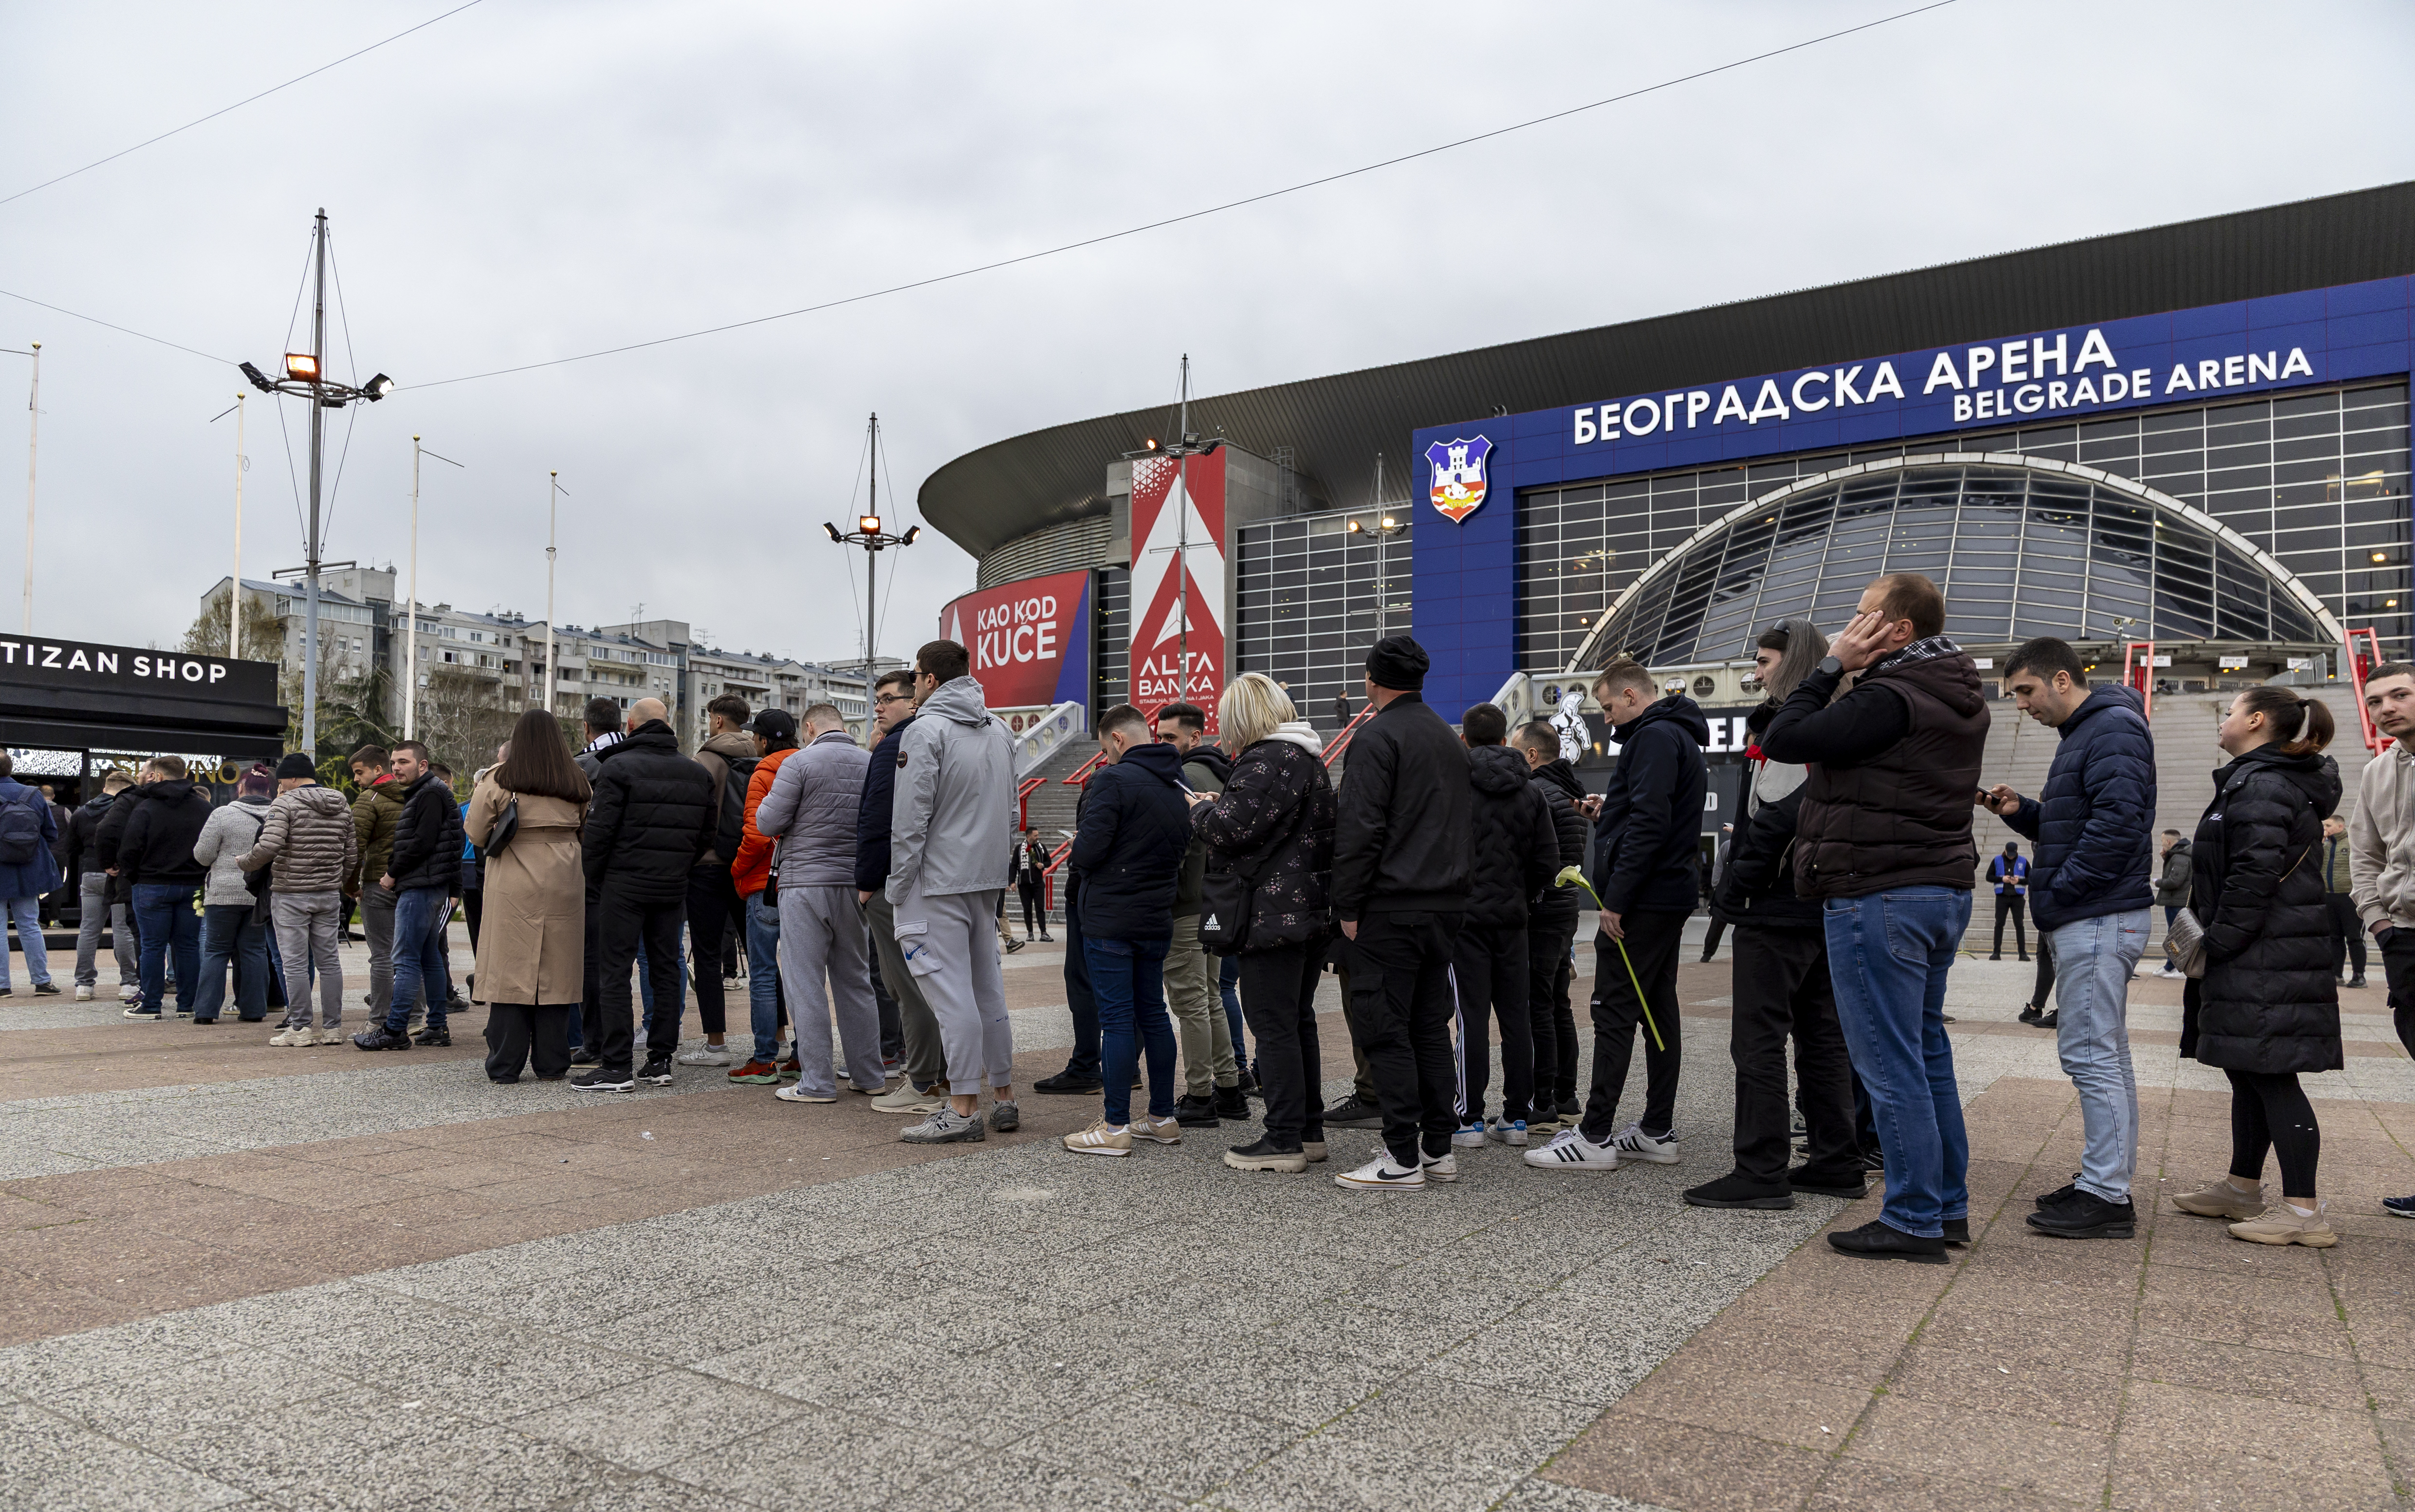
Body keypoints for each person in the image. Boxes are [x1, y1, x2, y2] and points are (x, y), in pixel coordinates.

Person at [1759, 572, 1989, 1261]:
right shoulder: (1953, 690)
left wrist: (1830, 667)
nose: (1846, 629)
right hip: (1934, 888)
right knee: (1924, 1054)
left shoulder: (1891, 695)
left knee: (1890, 1064)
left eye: (1861, 617)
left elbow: (1787, 736)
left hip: (1878, 890)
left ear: (1899, 630)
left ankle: (1914, 1215)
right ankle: (1944, 1205)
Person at [1978, 636, 2156, 1240]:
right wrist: (2022, 811)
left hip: (2097, 913)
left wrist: (2057, 894)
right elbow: (2082, 820)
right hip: (2097, 910)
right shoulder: (2088, 732)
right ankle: (2103, 1181)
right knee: (2106, 1054)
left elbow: (2116, 825)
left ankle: (2106, 1193)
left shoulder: (2108, 729)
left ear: (2060, 678)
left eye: (2024, 691)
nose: (2020, 705)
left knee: (2090, 1054)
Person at [1685, 620, 1865, 1210]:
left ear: (1794, 665)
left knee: (1759, 1039)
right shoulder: (1843, 721)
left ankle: (1760, 1169)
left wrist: (1734, 888)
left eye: (1763, 662)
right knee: (1822, 1036)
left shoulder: (1795, 726)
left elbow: (1778, 816)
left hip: (1778, 904)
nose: (1755, 673)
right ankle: (1836, 1159)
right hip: (1823, 901)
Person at [2171, 686, 2343, 1247]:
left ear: (2256, 719)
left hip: (2266, 953)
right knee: (2246, 1069)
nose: (2221, 720)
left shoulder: (2263, 783)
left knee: (2272, 1074)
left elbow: (2253, 873)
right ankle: (2242, 1187)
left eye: (2227, 711)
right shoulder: (2252, 779)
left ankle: (2301, 1212)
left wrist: (2216, 942)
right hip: (2257, 950)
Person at [1527, 658, 1706, 1173]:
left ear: (1631, 695)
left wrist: (1616, 899)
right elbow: (1655, 814)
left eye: (1607, 706)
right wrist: (1609, 810)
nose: (1605, 718)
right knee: (1656, 1008)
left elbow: (1651, 822)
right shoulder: (1677, 736)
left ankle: (1594, 1134)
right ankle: (1655, 1127)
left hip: (1644, 898)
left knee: (1614, 1008)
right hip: (1667, 893)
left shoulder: (1652, 738)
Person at [1329, 634, 1472, 1191]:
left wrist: (1347, 904)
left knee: (1384, 1028)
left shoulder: (1376, 736)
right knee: (1429, 1027)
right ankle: (1437, 1149)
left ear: (1371, 680)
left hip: (1391, 904)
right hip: (1444, 904)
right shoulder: (1447, 736)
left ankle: (1400, 1156)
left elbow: (1360, 827)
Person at [1184, 672, 1334, 1171]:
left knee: (1272, 1026)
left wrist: (1199, 813)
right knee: (1297, 1020)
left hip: (1272, 912)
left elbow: (1230, 828)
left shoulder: (1266, 758)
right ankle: (1307, 1129)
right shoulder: (1306, 757)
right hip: (1306, 907)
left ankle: (1283, 1138)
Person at [885, 638, 1018, 1142]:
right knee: (987, 990)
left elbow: (910, 819)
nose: (914, 684)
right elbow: (1011, 811)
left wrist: (899, 888)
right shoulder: (1000, 729)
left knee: (950, 993)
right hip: (981, 878)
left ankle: (962, 1107)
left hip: (935, 880)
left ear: (929, 680)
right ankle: (1002, 1094)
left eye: (915, 676)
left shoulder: (925, 731)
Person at [1058, 704, 1191, 1156]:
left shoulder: (1112, 780)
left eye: (1103, 747)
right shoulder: (1177, 784)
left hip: (1111, 917)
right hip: (1156, 915)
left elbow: (1090, 851)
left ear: (1116, 739)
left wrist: (1078, 847)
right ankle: (1161, 1116)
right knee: (1153, 1013)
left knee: (1115, 1018)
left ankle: (1115, 1125)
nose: (1105, 756)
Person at [577, 697, 716, 1092]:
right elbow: (706, 835)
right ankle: (659, 1060)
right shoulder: (696, 773)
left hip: (623, 883)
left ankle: (617, 1065)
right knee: (665, 968)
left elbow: (599, 832)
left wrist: (596, 878)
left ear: (631, 725)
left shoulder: (617, 767)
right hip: (672, 885)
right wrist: (680, 868)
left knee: (615, 972)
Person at [754, 702, 886, 1104]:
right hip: (853, 883)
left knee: (805, 982)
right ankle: (869, 1074)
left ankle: (817, 1082)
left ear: (809, 727)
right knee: (856, 980)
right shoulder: (869, 762)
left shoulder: (799, 763)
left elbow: (767, 822)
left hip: (804, 882)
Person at [1452, 701, 1558, 1150]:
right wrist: (1522, 895)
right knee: (1516, 1017)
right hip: (1514, 920)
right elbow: (1547, 861)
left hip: (1465, 920)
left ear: (1465, 739)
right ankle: (1516, 1117)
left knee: (1469, 1017)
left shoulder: (1452, 787)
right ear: (1504, 738)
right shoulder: (1530, 791)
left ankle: (1468, 1118)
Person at [469, 709, 591, 1082]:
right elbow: (587, 826)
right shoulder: (575, 779)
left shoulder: (500, 778)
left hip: (514, 873)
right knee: (558, 970)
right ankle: (553, 1063)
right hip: (565, 875)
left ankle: (505, 1064)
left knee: (510, 968)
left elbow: (475, 831)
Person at [857, 671, 946, 1115]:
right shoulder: (954, 736)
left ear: (913, 703)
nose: (878, 707)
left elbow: (877, 821)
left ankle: (925, 1081)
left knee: (904, 983)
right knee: (940, 981)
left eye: (887, 699)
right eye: (877, 699)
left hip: (896, 881)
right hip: (944, 879)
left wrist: (866, 883)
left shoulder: (897, 746)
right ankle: (949, 1074)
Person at [1158, 701, 1246, 1129]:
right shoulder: (1219, 772)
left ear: (1195, 737)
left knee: (1191, 1001)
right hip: (1213, 902)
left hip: (1188, 903)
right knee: (1209, 996)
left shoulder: (1188, 778)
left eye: (1170, 737)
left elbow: (1182, 847)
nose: (1163, 745)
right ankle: (1228, 1088)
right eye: (1159, 737)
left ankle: (1199, 1095)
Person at [2351, 662, 2415, 1221]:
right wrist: (2378, 922)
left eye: (2399, 695)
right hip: (2404, 935)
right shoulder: (2376, 772)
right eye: (2375, 701)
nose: (2386, 707)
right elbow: (2365, 853)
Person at [353, 743, 465, 1051]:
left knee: (404, 960)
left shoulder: (428, 794)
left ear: (423, 765)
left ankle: (395, 1029)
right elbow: (450, 841)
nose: (396, 768)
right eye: (393, 762)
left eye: (404, 762)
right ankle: (437, 1027)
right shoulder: (430, 792)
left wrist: (391, 874)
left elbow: (423, 842)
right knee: (429, 958)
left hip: (420, 886)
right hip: (430, 885)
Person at [240, 753, 358, 1044]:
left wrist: (244, 862)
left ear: (292, 778)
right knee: (329, 962)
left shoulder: (285, 803)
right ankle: (332, 1029)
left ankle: (301, 1028)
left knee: (293, 963)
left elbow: (269, 846)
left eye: (281, 779)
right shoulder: (340, 801)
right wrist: (337, 881)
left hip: (290, 893)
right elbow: (352, 852)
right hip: (328, 894)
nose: (279, 785)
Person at [1513, 720, 1587, 1133]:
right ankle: (1565, 1096)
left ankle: (1541, 1104)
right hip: (1565, 910)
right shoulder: (1571, 792)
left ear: (1531, 755)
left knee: (1537, 1005)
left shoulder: (1537, 793)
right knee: (1558, 1004)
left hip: (1541, 913)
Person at [676, 694, 757, 1068]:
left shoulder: (705, 759)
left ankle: (716, 1044)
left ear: (719, 720)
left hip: (708, 866)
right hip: (748, 865)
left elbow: (692, 815)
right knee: (760, 956)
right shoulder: (760, 756)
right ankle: (777, 1037)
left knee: (708, 956)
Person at [729, 708, 801, 1083]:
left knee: (762, 972)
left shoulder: (764, 771)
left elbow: (757, 833)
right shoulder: (808, 764)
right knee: (800, 974)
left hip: (765, 883)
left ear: (762, 740)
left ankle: (763, 1059)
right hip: (804, 882)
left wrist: (737, 869)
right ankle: (803, 1053)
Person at [115, 756, 211, 1018]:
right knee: (189, 945)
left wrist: (133, 875)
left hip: (151, 884)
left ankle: (151, 1005)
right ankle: (187, 1005)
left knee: (152, 947)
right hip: (193, 887)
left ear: (157, 776)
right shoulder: (204, 809)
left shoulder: (146, 808)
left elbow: (130, 849)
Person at [189, 763, 276, 1023]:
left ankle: (205, 1012)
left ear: (241, 788)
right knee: (254, 950)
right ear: (270, 789)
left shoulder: (222, 814)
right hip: (261, 894)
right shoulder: (278, 814)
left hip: (224, 893)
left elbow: (202, 856)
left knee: (216, 950)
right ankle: (254, 1010)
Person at [348, 745, 405, 1030]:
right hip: (412, 884)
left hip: (377, 882)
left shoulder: (367, 800)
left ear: (378, 770)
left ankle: (378, 1019)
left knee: (381, 955)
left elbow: (355, 848)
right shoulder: (415, 795)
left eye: (360, 772)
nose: (357, 779)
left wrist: (350, 885)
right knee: (410, 955)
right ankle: (416, 1019)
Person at [0, 754, 62, 998]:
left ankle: (3, 985)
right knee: (29, 925)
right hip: (29, 870)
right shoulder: (33, 794)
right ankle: (42, 981)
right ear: (11, 768)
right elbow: (51, 833)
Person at [70, 771, 135, 1002]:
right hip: (119, 874)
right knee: (123, 930)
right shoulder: (127, 810)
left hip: (90, 874)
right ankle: (129, 983)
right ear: (127, 788)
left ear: (106, 786)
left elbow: (71, 846)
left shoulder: (82, 812)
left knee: (89, 930)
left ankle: (84, 985)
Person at [2318, 817, 2365, 990]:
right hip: (2329, 896)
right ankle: (2336, 974)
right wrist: (2320, 842)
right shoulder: (2324, 845)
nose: (2326, 828)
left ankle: (2359, 976)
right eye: (2324, 825)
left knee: (2354, 938)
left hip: (2349, 897)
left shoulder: (2352, 844)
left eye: (2329, 825)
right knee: (2334, 938)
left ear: (2340, 826)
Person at [2153, 830, 2192, 981]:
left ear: (2168, 842)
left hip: (2177, 902)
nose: (2162, 845)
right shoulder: (2178, 856)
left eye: (2163, 842)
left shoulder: (2180, 857)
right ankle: (2170, 967)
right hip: (2176, 902)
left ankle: (2180, 969)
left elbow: (2175, 881)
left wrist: (2157, 881)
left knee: (2177, 936)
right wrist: (2166, 859)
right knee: (2174, 936)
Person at [1987, 842, 2030, 961]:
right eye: (2009, 854)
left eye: (2013, 854)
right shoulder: (1997, 860)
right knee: (1999, 924)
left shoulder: (2023, 861)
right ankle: (1996, 953)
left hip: (2018, 897)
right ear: (2005, 851)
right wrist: (2002, 879)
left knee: (2019, 925)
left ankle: (2022, 954)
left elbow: (2031, 878)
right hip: (2002, 896)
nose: (2011, 856)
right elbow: (1988, 877)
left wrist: (2019, 881)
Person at [1014, 827, 1052, 942]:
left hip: (1038, 884)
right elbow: (1014, 866)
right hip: (1024, 885)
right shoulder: (1019, 848)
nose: (1038, 837)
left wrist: (1043, 865)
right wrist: (1011, 881)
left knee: (1040, 908)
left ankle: (1044, 932)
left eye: (1038, 835)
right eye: (1035, 836)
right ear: (1028, 836)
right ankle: (1030, 933)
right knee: (1027, 909)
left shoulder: (1041, 848)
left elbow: (1049, 862)